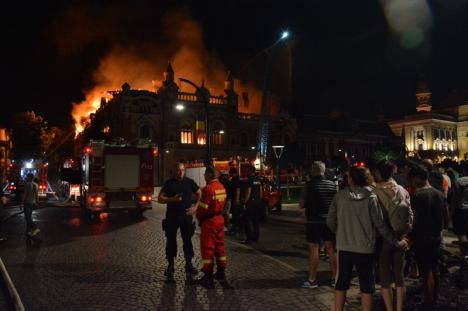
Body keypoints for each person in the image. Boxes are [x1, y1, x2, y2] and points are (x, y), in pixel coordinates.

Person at [327, 166, 408, 311]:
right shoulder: (371, 197)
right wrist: (396, 241)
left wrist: (340, 233)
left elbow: (330, 221)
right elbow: (380, 225)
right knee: (366, 286)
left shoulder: (340, 196)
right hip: (366, 248)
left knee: (341, 283)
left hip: (345, 247)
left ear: (350, 179)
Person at [373, 161, 413, 311]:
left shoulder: (374, 191)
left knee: (385, 278)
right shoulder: (402, 190)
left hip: (383, 238)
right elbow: (410, 213)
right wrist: (406, 234)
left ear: (378, 173)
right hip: (401, 236)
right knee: (399, 277)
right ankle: (400, 309)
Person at [408, 164, 447, 308]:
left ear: (418, 178)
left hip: (421, 237)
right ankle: (434, 298)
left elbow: (414, 219)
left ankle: (429, 300)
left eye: (412, 179)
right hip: (436, 236)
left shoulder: (418, 196)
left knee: (426, 270)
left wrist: (410, 235)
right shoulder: (439, 194)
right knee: (434, 268)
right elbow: (446, 218)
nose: (411, 182)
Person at [158, 162, 202, 278]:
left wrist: (196, 207)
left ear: (185, 170)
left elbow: (199, 193)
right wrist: (171, 199)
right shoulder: (169, 183)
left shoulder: (189, 182)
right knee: (171, 240)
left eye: (182, 170)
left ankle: (189, 265)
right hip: (172, 216)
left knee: (187, 240)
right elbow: (160, 199)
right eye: (178, 170)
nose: (180, 172)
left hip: (186, 216)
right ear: (175, 170)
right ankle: (170, 265)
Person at [299, 161, 337, 288]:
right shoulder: (332, 185)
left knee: (314, 249)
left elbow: (301, 205)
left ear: (313, 171)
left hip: (313, 221)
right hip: (329, 221)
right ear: (323, 171)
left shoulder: (309, 185)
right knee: (331, 249)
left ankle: (312, 280)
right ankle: (335, 279)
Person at [196, 166, 228, 288]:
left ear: (210, 175)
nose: (204, 176)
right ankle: (221, 273)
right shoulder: (221, 187)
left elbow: (202, 209)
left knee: (208, 248)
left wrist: (199, 218)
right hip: (220, 220)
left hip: (209, 221)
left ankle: (208, 277)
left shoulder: (208, 189)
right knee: (220, 247)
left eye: (205, 174)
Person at [242, 165, 263, 244]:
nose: (246, 172)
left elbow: (248, 193)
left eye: (247, 170)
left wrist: (244, 202)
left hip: (250, 203)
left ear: (250, 171)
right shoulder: (258, 180)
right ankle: (256, 237)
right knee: (256, 221)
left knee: (247, 221)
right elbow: (261, 192)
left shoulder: (249, 180)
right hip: (257, 202)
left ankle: (248, 239)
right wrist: (258, 200)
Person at [23, 173, 40, 238]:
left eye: (27, 177)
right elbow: (36, 195)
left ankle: (35, 228)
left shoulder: (27, 184)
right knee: (29, 217)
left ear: (29, 178)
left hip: (27, 203)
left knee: (27, 218)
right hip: (33, 203)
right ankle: (28, 232)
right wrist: (37, 202)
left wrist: (21, 203)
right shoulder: (36, 185)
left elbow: (25, 195)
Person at [227, 166, 241, 234]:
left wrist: (237, 199)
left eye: (230, 172)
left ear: (232, 173)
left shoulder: (236, 179)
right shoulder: (233, 179)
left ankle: (235, 228)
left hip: (235, 199)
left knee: (235, 214)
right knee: (234, 214)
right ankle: (235, 227)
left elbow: (238, 189)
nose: (229, 173)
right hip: (233, 199)